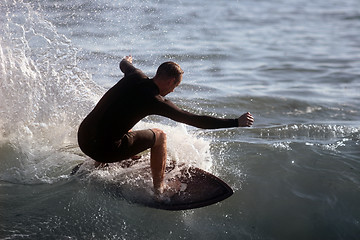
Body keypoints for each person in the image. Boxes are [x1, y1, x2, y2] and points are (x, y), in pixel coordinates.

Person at [77, 55, 254, 195]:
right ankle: (159, 188)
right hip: (103, 150)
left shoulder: (135, 75)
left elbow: (123, 64)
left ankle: (98, 165)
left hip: (84, 138)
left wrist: (127, 60)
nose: (173, 90)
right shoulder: (155, 101)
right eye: (175, 86)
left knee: (120, 118)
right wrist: (235, 122)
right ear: (170, 82)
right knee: (159, 136)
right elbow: (195, 120)